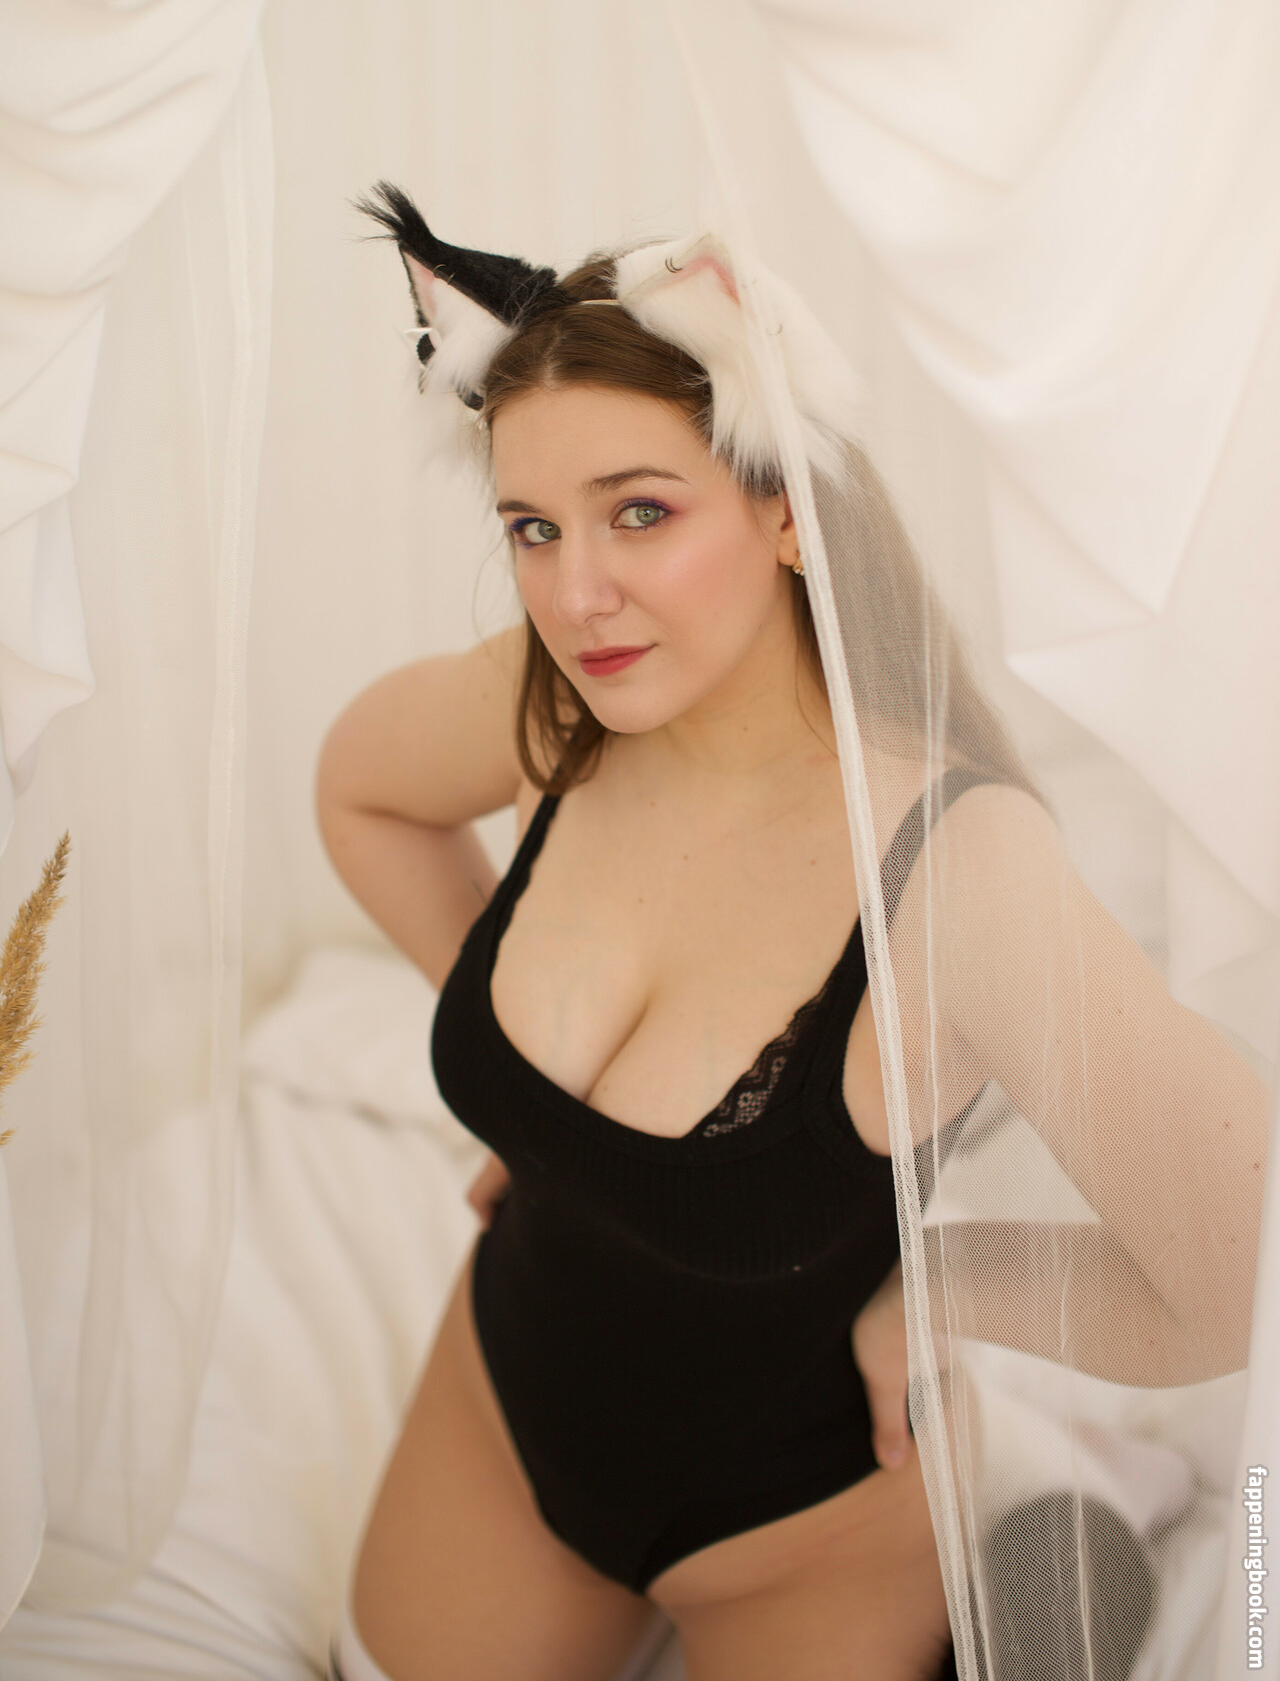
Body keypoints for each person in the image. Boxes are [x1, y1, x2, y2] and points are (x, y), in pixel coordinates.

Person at [314, 188, 1267, 1681]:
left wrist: (940, 1289)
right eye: (531, 529)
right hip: (508, 1415)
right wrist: (533, 1105)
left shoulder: (960, 871)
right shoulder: (563, 705)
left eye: (641, 511)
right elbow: (361, 791)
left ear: (782, 510)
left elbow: (1233, 1268)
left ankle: (1062, 1522)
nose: (576, 593)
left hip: (806, 1528)